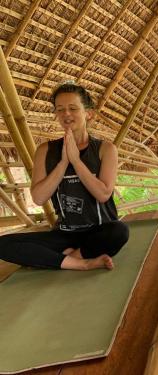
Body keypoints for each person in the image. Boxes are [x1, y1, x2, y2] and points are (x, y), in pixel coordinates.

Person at [0, 82, 129, 271]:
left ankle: (65, 258)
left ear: (89, 113)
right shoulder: (45, 150)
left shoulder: (105, 149)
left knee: (120, 231)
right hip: (64, 233)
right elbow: (39, 197)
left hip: (100, 231)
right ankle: (81, 262)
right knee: (3, 245)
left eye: (73, 108)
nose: (66, 114)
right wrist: (63, 163)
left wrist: (76, 161)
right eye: (60, 109)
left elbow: (103, 194)